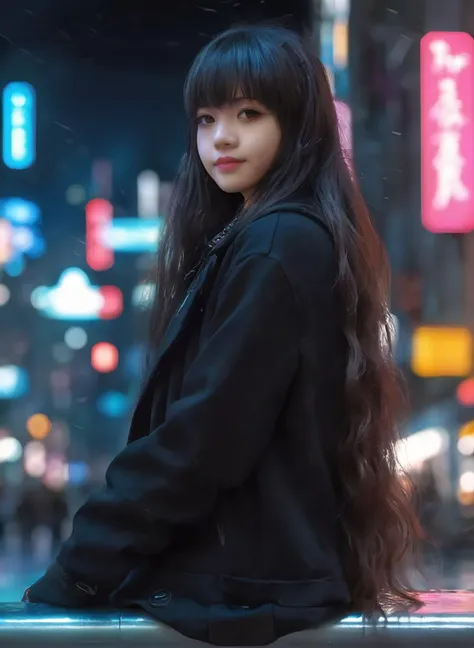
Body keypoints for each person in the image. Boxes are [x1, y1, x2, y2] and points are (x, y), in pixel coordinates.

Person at [23, 24, 422, 645]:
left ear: (299, 124)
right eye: (206, 120)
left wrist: (82, 564)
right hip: (265, 581)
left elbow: (207, 436)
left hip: (242, 591)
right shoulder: (281, 235)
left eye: (249, 113)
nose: (221, 138)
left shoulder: (275, 243)